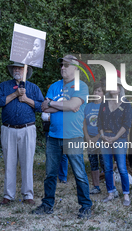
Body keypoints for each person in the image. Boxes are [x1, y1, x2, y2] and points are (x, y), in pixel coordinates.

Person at [33, 55, 92, 219]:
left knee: (79, 173)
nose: (62, 68)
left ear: (75, 68)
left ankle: (86, 206)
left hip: (73, 136)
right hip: (53, 136)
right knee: (50, 173)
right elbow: (45, 107)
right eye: (61, 65)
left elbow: (73, 105)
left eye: (66, 65)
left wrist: (56, 104)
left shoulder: (82, 86)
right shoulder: (54, 86)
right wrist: (62, 105)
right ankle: (47, 205)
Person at [0, 62, 44, 205]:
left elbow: (42, 106)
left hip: (27, 129)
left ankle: (28, 195)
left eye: (20, 68)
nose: (17, 70)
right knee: (9, 162)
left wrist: (26, 99)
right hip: (8, 129)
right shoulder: (4, 86)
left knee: (27, 162)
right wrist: (15, 94)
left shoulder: (33, 87)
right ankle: (8, 195)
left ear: (25, 70)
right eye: (15, 68)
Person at [98, 77, 132, 206]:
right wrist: (102, 136)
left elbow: (127, 124)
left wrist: (116, 137)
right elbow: (99, 122)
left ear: (119, 88)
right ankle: (111, 193)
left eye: (115, 85)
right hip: (105, 137)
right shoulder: (104, 103)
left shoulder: (126, 103)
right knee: (107, 168)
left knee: (122, 168)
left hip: (119, 139)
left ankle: (126, 195)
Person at [83, 82, 105, 194]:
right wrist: (87, 137)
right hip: (89, 139)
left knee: (104, 163)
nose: (96, 92)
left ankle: (110, 187)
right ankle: (96, 187)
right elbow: (84, 122)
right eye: (95, 90)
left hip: (102, 139)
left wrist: (97, 137)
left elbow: (107, 125)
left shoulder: (105, 106)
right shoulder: (88, 106)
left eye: (99, 91)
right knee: (93, 162)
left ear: (103, 94)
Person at [42, 112, 69, 183]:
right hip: (50, 131)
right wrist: (56, 118)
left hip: (64, 130)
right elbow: (44, 116)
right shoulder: (49, 100)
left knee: (64, 155)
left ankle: (63, 177)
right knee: (51, 155)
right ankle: (51, 177)